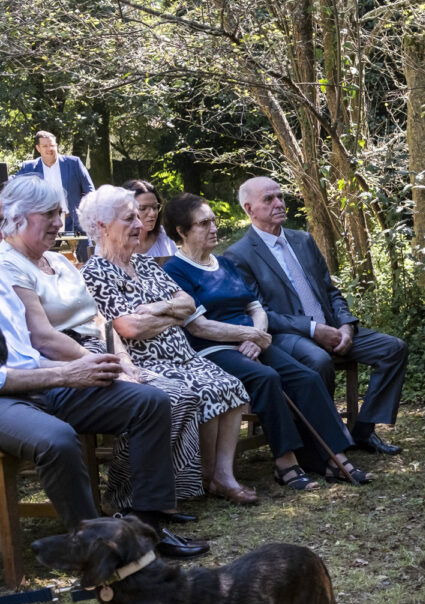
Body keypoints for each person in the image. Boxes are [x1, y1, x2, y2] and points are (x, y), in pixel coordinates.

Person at [0, 181, 206, 559]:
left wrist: (124, 363)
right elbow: (42, 338)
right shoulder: (7, 265)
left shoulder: (59, 261)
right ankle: (98, 546)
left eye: (60, 214)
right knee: (61, 436)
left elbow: (99, 318)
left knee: (150, 400)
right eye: (48, 215)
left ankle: (147, 527)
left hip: (71, 362)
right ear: (17, 217)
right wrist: (87, 365)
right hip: (58, 365)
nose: (58, 223)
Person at [161, 192, 372, 488]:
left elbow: (255, 307)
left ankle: (334, 456)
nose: (213, 228)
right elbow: (198, 326)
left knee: (306, 377)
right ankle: (285, 462)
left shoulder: (224, 263)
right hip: (213, 350)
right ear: (182, 232)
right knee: (266, 377)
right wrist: (248, 334)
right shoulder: (174, 271)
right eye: (203, 223)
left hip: (253, 339)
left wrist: (258, 336)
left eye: (213, 220)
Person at [78, 185, 257, 505]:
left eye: (138, 216)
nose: (139, 224)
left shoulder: (145, 264)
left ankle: (222, 475)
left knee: (228, 385)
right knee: (204, 389)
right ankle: (195, 479)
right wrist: (169, 315)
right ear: (102, 226)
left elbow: (188, 304)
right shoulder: (97, 271)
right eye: (129, 218)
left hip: (183, 355)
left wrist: (158, 310)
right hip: (145, 361)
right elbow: (128, 328)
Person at [225, 177, 408, 456]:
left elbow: (330, 290)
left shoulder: (303, 240)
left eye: (280, 196)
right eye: (269, 199)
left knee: (393, 349)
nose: (279, 203)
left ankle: (363, 430)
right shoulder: (238, 255)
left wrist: (346, 324)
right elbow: (261, 313)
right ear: (249, 209)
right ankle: (324, 443)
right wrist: (311, 329)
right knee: (318, 361)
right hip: (288, 337)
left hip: (333, 328)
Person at [16, 131, 95, 261]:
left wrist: (89, 209)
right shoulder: (29, 167)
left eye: (52, 145)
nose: (49, 149)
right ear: (38, 148)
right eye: (45, 146)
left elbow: (90, 189)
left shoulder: (73, 163)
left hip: (76, 219)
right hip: (47, 222)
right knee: (45, 260)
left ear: (56, 145)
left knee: (87, 257)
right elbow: (13, 184)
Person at [123, 179, 178, 264]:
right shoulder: (110, 242)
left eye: (155, 207)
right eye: (143, 208)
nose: (152, 213)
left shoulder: (163, 235)